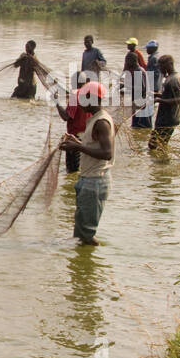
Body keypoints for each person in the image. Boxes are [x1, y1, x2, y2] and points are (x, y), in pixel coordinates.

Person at [60, 92, 115, 245]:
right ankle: (81, 265)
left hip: (95, 181)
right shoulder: (94, 119)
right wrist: (75, 141)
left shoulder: (102, 122)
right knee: (80, 233)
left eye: (83, 101)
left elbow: (106, 153)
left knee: (86, 235)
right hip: (87, 178)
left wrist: (77, 146)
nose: (81, 105)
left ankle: (90, 264)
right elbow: (92, 145)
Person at [56, 73, 105, 174]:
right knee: (83, 168)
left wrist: (56, 102)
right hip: (88, 136)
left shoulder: (75, 95)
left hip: (75, 138)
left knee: (72, 171)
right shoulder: (90, 95)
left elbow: (65, 117)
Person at [148, 54, 180, 151]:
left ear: (169, 65)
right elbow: (169, 96)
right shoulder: (169, 78)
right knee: (153, 145)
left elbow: (177, 100)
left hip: (168, 119)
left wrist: (159, 100)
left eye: (161, 66)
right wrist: (157, 94)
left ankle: (162, 163)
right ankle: (159, 164)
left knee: (159, 146)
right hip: (164, 118)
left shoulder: (174, 80)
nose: (160, 69)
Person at [121, 37, 147, 107]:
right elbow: (125, 67)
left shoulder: (138, 54)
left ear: (134, 45)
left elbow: (143, 64)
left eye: (129, 44)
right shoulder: (129, 54)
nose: (128, 46)